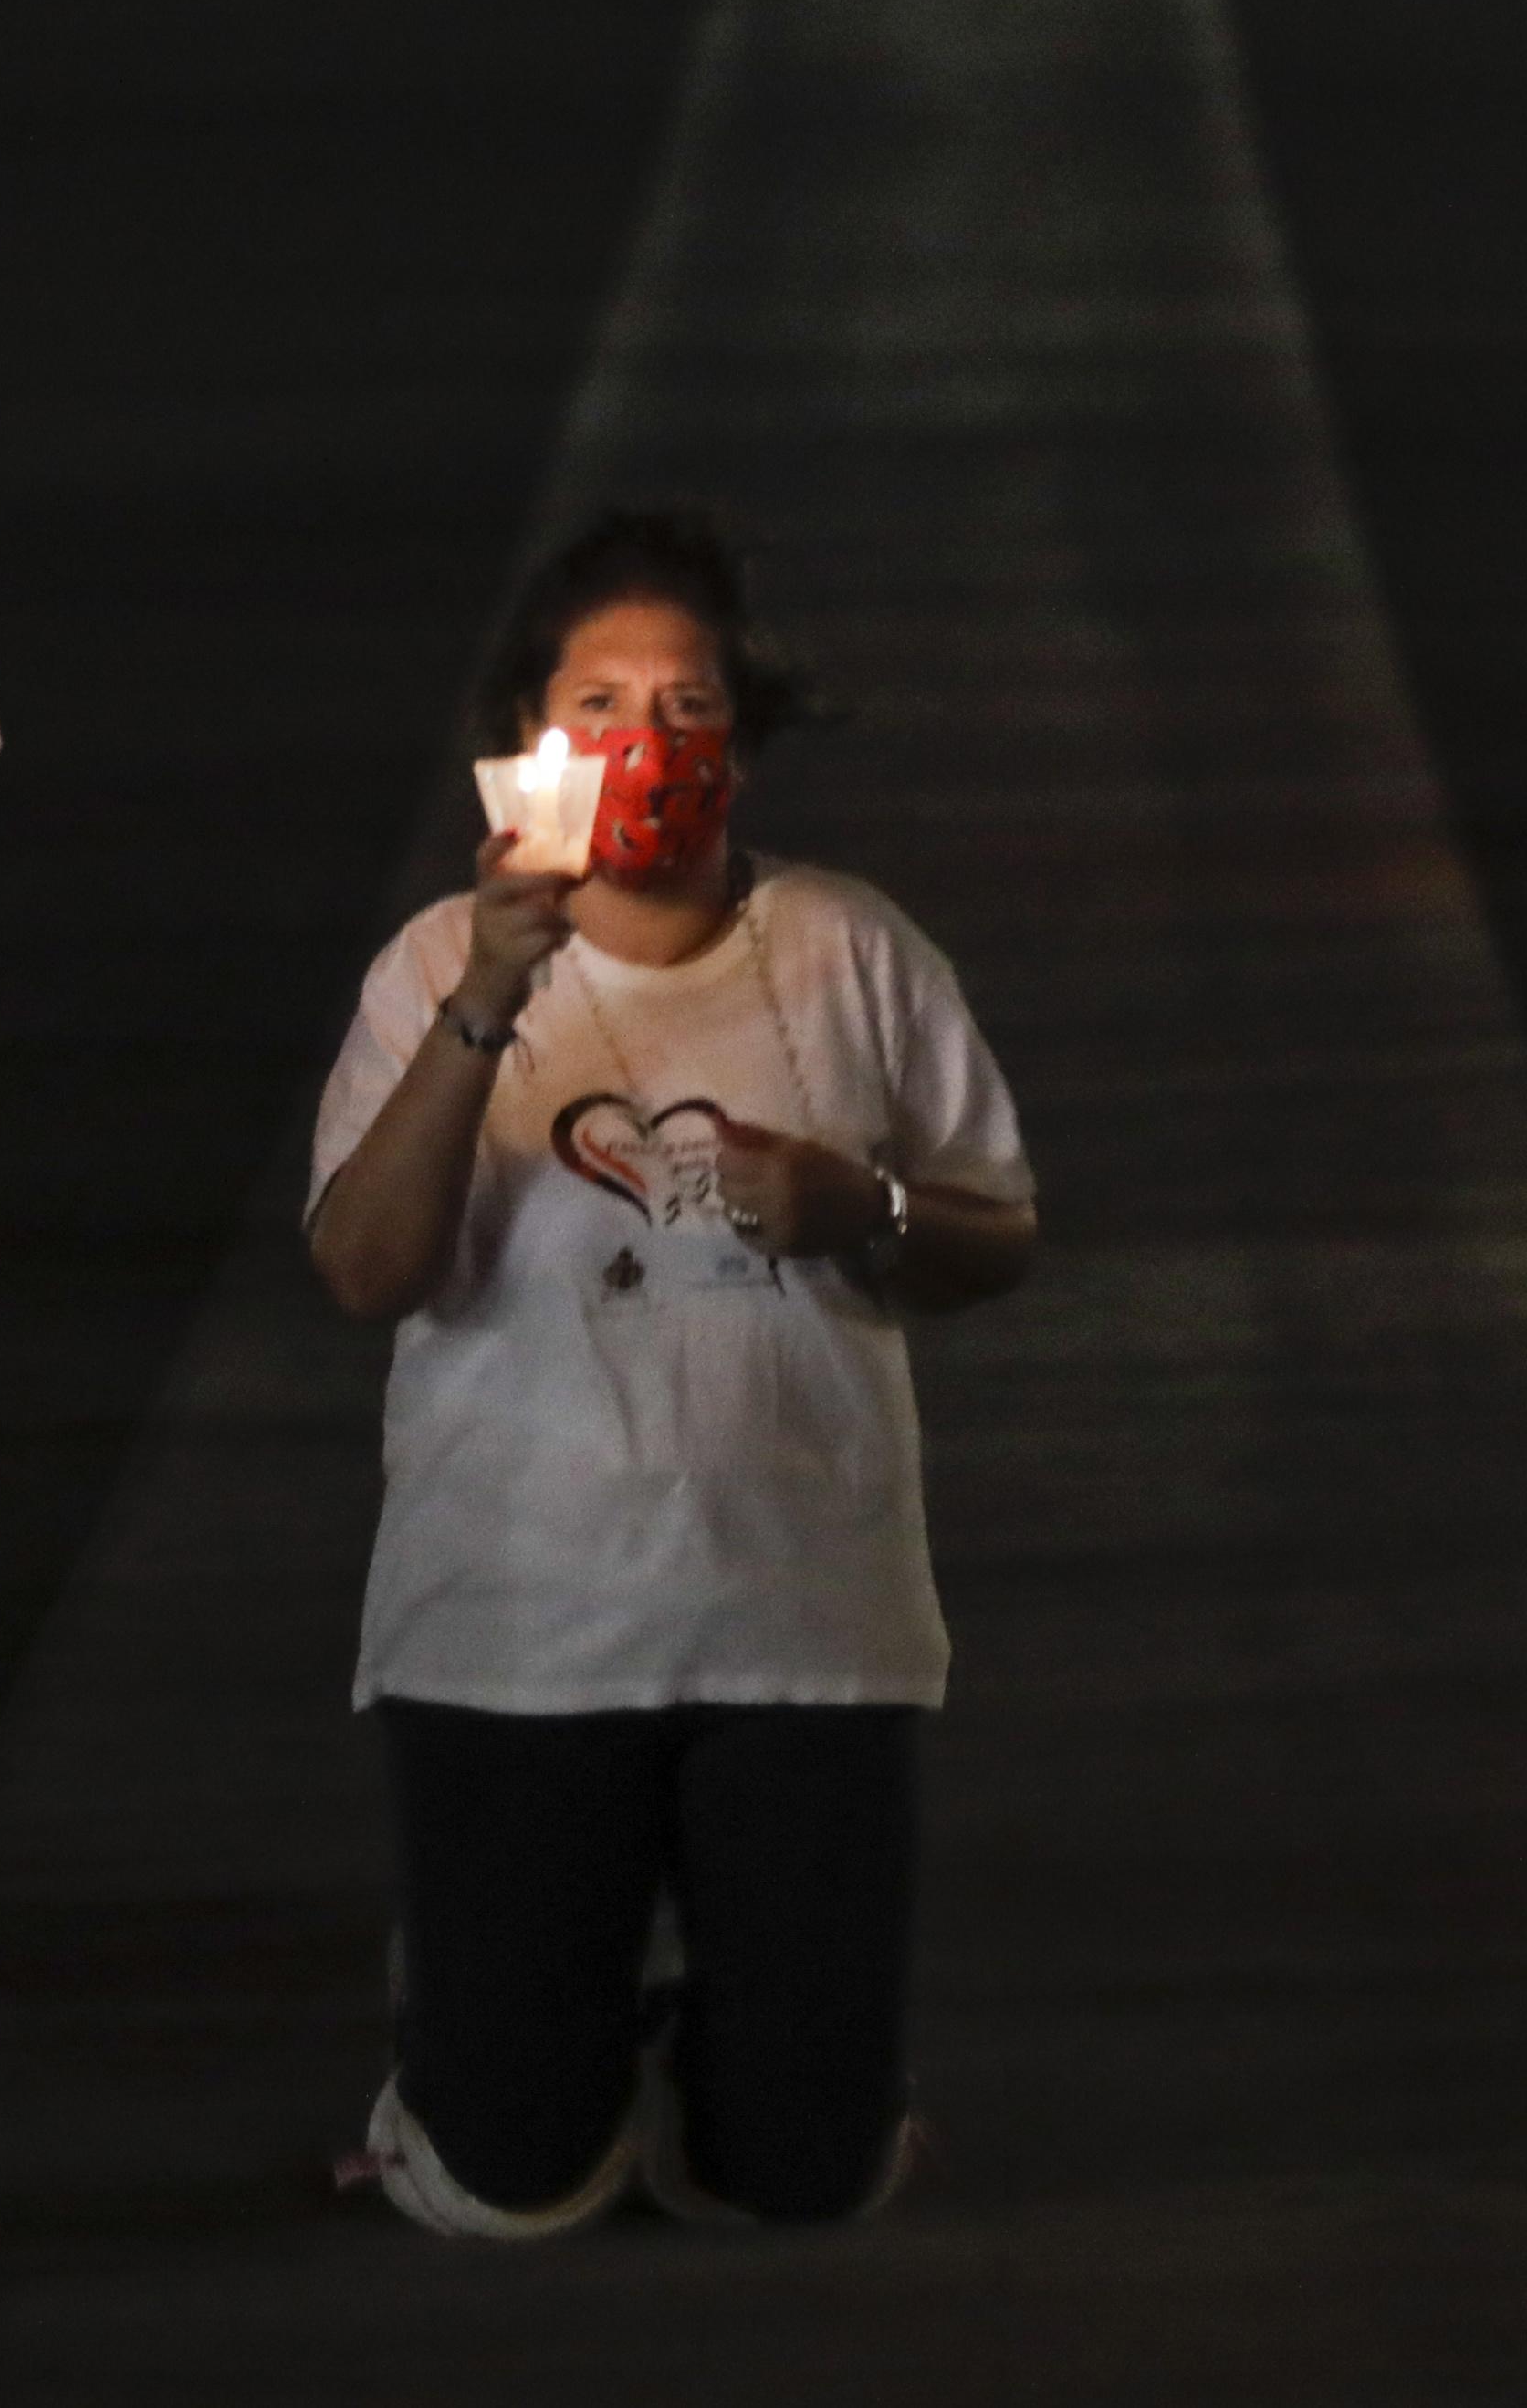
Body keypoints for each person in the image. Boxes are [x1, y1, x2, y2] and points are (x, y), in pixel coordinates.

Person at [307, 508, 1038, 2237]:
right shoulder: (431, 962)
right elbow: (364, 1268)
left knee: (801, 2181)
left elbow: (996, 1237)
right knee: (509, 2190)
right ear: (528, 744)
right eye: (601, 701)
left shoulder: (855, 953)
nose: (649, 743)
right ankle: (478, 2043)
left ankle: (765, 2045)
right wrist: (485, 1000)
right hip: (520, 1628)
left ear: (747, 739)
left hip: (800, 1619)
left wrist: (852, 1202)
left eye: (691, 706)